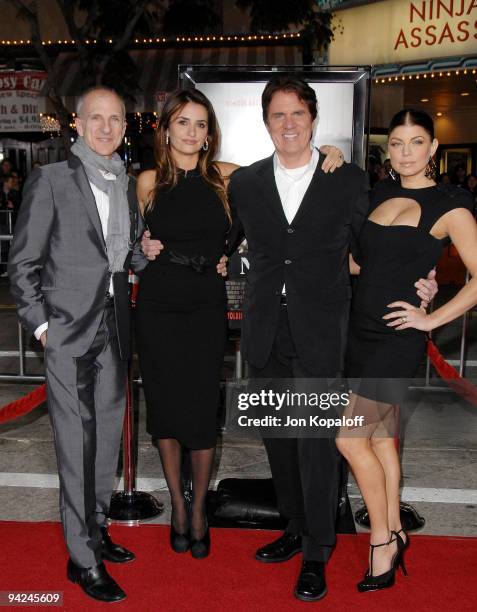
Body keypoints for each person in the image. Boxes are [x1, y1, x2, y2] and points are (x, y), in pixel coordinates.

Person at [142, 77, 436, 602]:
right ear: (265, 123)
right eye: (278, 116)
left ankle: (318, 551)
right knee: (278, 437)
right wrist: (151, 241)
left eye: (298, 114)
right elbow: (216, 239)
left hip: (322, 331)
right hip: (264, 331)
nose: (288, 124)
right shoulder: (248, 184)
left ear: (313, 118)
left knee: (318, 445)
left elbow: (376, 248)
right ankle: (296, 526)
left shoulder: (346, 181)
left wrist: (423, 279)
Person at [136, 88, 344, 561]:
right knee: (165, 412)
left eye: (201, 124)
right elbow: (135, 244)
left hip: (205, 307)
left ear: (211, 134)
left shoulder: (226, 178)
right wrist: (144, 249)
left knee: (203, 410)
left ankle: (202, 511)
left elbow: (287, 167)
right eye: (183, 122)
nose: (192, 132)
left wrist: (331, 151)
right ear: (166, 128)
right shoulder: (146, 182)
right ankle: (177, 507)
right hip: (158, 306)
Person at [8, 86, 145, 603]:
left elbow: (121, 256)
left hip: (113, 328)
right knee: (74, 442)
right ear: (78, 125)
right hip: (66, 332)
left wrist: (143, 252)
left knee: (106, 436)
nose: (106, 128)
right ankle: (81, 559)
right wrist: (42, 327)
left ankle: (95, 526)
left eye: (115, 120)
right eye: (97, 119)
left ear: (124, 128)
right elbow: (22, 264)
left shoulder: (125, 184)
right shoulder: (51, 179)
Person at [336, 109, 477, 592]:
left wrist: (430, 318)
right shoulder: (377, 193)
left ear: (433, 148)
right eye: (397, 143)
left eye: (416, 142)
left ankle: (381, 542)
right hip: (360, 330)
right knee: (376, 439)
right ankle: (395, 526)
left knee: (349, 439)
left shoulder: (451, 204)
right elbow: (361, 265)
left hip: (398, 336)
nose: (406, 152)